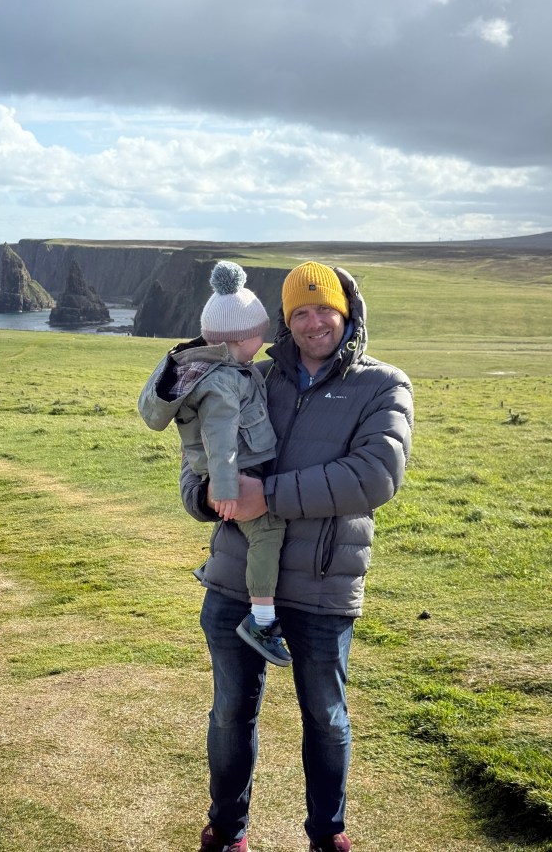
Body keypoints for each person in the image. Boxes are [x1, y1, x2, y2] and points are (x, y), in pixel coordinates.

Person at [179, 261, 414, 852]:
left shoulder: (383, 385)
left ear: (347, 313)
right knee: (231, 714)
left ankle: (326, 834)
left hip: (322, 583)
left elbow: (375, 475)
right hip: (236, 579)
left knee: (327, 718)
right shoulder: (250, 377)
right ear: (284, 321)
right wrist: (206, 496)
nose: (314, 323)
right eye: (300, 312)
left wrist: (267, 495)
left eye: (324, 310)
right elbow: (198, 459)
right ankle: (228, 830)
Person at [138, 260, 291, 666]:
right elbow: (219, 438)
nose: (263, 342)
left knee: (249, 525)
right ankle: (261, 619)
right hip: (234, 473)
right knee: (268, 530)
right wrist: (224, 488)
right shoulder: (223, 382)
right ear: (242, 340)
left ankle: (220, 568)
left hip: (232, 470)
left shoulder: (223, 369)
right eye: (259, 335)